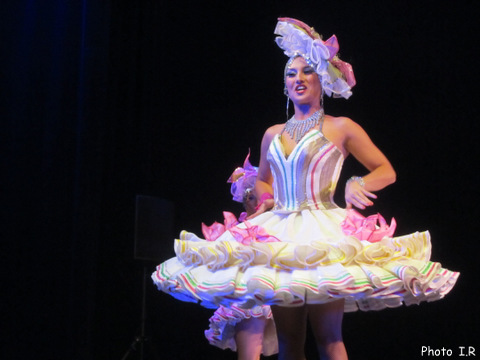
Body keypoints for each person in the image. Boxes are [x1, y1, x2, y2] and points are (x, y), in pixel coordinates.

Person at [152, 17, 459, 360]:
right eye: (290, 74)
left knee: (328, 337)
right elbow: (266, 181)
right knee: (288, 339)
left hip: (322, 229)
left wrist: (358, 183)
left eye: (306, 72)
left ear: (322, 80)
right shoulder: (273, 133)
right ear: (284, 84)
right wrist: (257, 194)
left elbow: (386, 170)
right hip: (281, 232)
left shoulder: (341, 127)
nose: (298, 79)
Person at [204, 153, 278, 359]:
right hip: (248, 297)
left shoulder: (277, 229)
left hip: (273, 293)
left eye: (257, 196)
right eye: (249, 197)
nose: (253, 202)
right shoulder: (238, 232)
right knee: (249, 353)